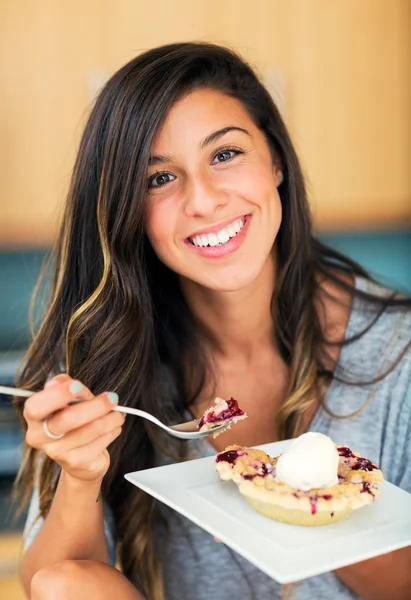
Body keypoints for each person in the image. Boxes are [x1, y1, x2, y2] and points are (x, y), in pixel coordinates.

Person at [14, 41, 411, 600]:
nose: (202, 201)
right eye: (159, 179)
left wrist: (297, 502)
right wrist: (80, 476)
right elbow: (52, 585)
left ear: (275, 160)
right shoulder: (107, 362)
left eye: (224, 155)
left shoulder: (399, 354)